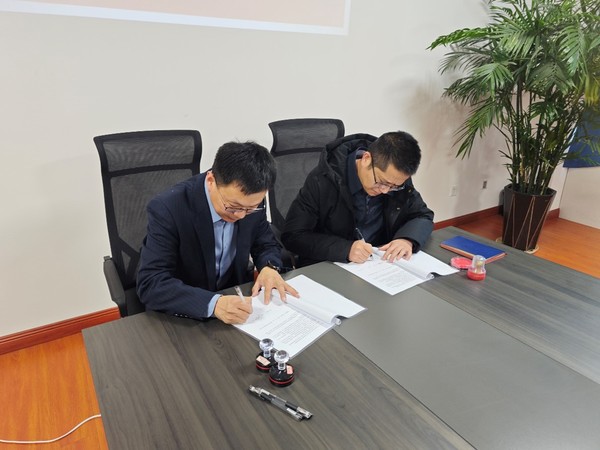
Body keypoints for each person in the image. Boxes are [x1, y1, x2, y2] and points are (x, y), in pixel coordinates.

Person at [137, 141, 298, 325]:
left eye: (250, 209)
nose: (241, 215)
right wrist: (213, 304)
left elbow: (265, 243)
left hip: (236, 301)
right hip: (186, 311)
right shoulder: (168, 208)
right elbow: (151, 282)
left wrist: (269, 268)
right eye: (233, 207)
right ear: (211, 181)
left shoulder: (252, 201)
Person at [281, 131, 434, 267]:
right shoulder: (323, 180)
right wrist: (345, 249)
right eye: (381, 182)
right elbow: (294, 236)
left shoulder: (395, 180)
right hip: (332, 265)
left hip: (378, 264)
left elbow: (422, 215)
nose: (385, 191)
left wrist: (407, 239)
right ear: (366, 158)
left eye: (394, 186)